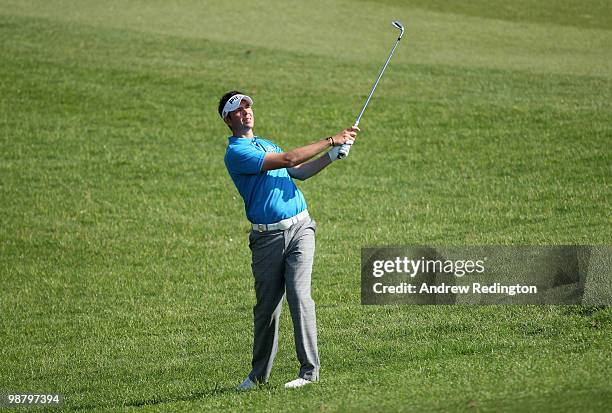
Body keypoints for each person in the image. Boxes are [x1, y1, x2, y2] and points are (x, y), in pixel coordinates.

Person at [219, 91, 358, 390]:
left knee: (298, 294)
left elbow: (298, 171)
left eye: (248, 107)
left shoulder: (266, 143)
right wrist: (331, 140)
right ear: (228, 119)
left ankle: (309, 373)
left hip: (301, 228)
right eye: (238, 110)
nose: (246, 112)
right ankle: (258, 377)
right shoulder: (237, 153)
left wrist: (332, 156)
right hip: (266, 239)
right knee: (267, 308)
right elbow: (289, 158)